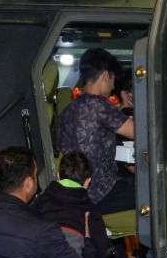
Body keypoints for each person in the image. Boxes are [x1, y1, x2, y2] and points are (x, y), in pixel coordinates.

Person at [55, 47, 136, 215]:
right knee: (156, 188)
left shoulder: (66, 111)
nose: (114, 86)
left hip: (79, 195)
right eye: (113, 79)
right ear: (106, 75)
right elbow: (140, 133)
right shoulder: (99, 104)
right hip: (103, 192)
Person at [32, 151, 111, 258]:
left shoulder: (41, 200)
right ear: (87, 182)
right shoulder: (90, 209)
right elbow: (99, 240)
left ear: (58, 175)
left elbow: (29, 221)